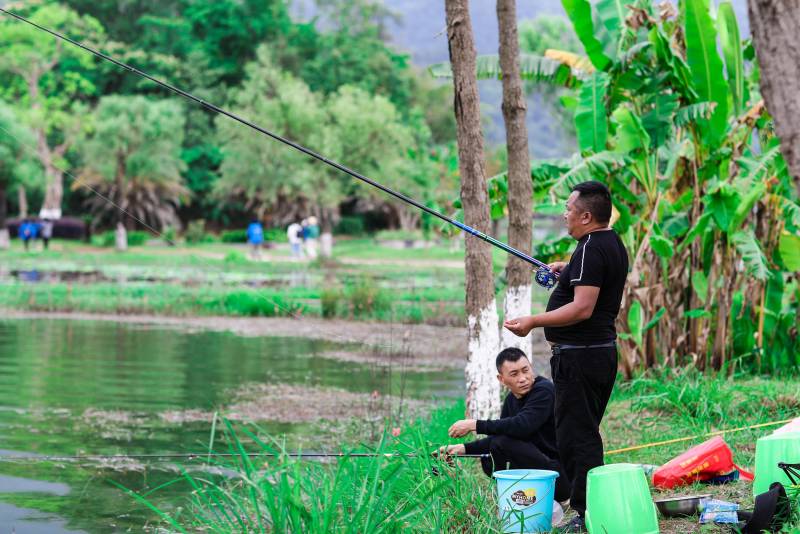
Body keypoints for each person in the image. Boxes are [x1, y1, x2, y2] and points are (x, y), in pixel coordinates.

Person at [504, 181, 628, 532]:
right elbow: (590, 283)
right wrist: (568, 269)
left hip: (581, 358)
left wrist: (533, 321)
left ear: (587, 215)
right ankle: (588, 509)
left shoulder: (590, 248)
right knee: (580, 432)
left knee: (578, 437)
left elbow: (582, 309)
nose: (565, 214)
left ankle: (587, 515)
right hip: (596, 354)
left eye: (569, 209)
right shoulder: (608, 242)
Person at [439, 347, 571, 503]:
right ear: (501, 379)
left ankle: (543, 499)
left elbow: (523, 425)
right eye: (514, 374)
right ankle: (517, 498)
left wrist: (474, 424)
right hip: (538, 470)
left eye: (525, 370)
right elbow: (501, 436)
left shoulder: (544, 390)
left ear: (531, 368)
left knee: (499, 444)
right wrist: (462, 449)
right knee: (490, 455)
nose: (523, 378)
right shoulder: (511, 400)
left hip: (559, 477)